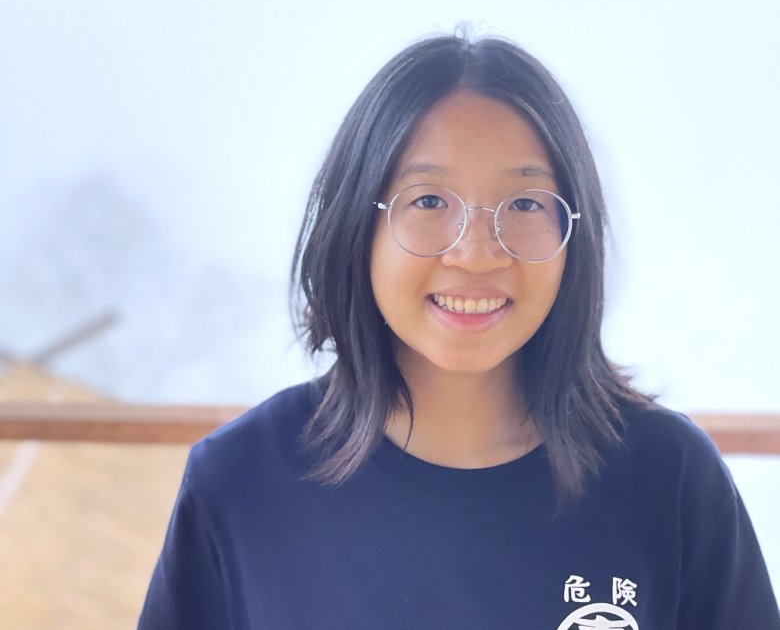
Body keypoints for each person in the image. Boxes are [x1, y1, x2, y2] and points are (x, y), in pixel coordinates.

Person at [138, 34, 779, 629]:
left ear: (572, 236)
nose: (476, 253)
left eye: (525, 205)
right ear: (357, 223)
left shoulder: (670, 478)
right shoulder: (240, 483)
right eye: (428, 201)